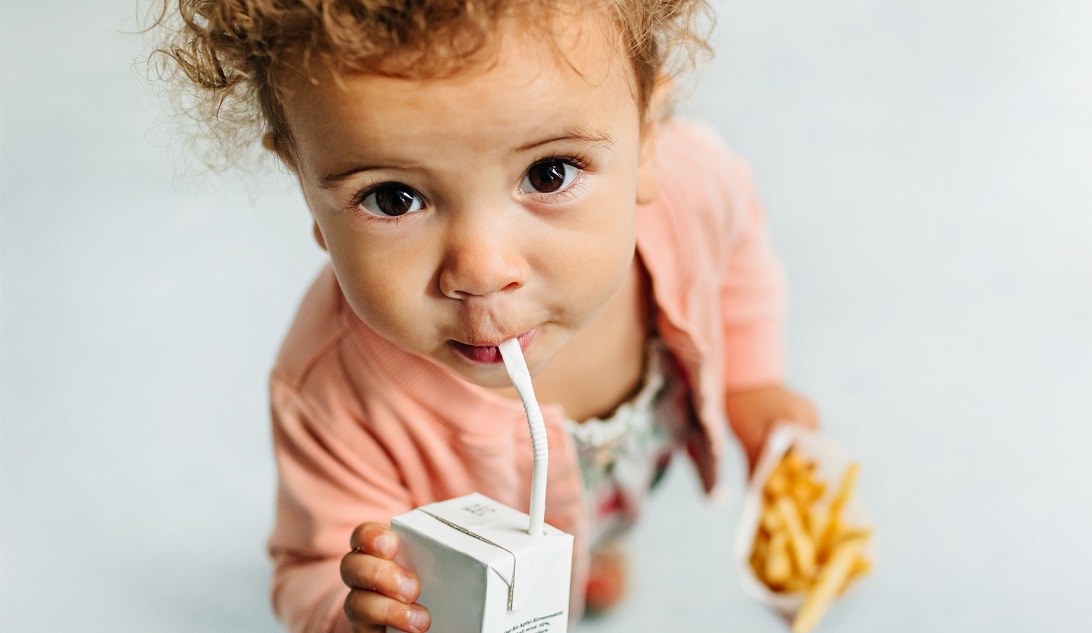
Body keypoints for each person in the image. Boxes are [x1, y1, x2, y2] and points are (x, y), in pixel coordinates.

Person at [152, 1, 817, 631]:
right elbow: (312, 564)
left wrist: (750, 380)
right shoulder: (334, 395)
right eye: (393, 196)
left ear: (647, 140)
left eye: (549, 173)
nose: (478, 269)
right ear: (304, 183)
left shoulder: (691, 188)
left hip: (622, 470)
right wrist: (350, 608)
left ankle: (583, 554)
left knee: (579, 536)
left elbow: (740, 260)